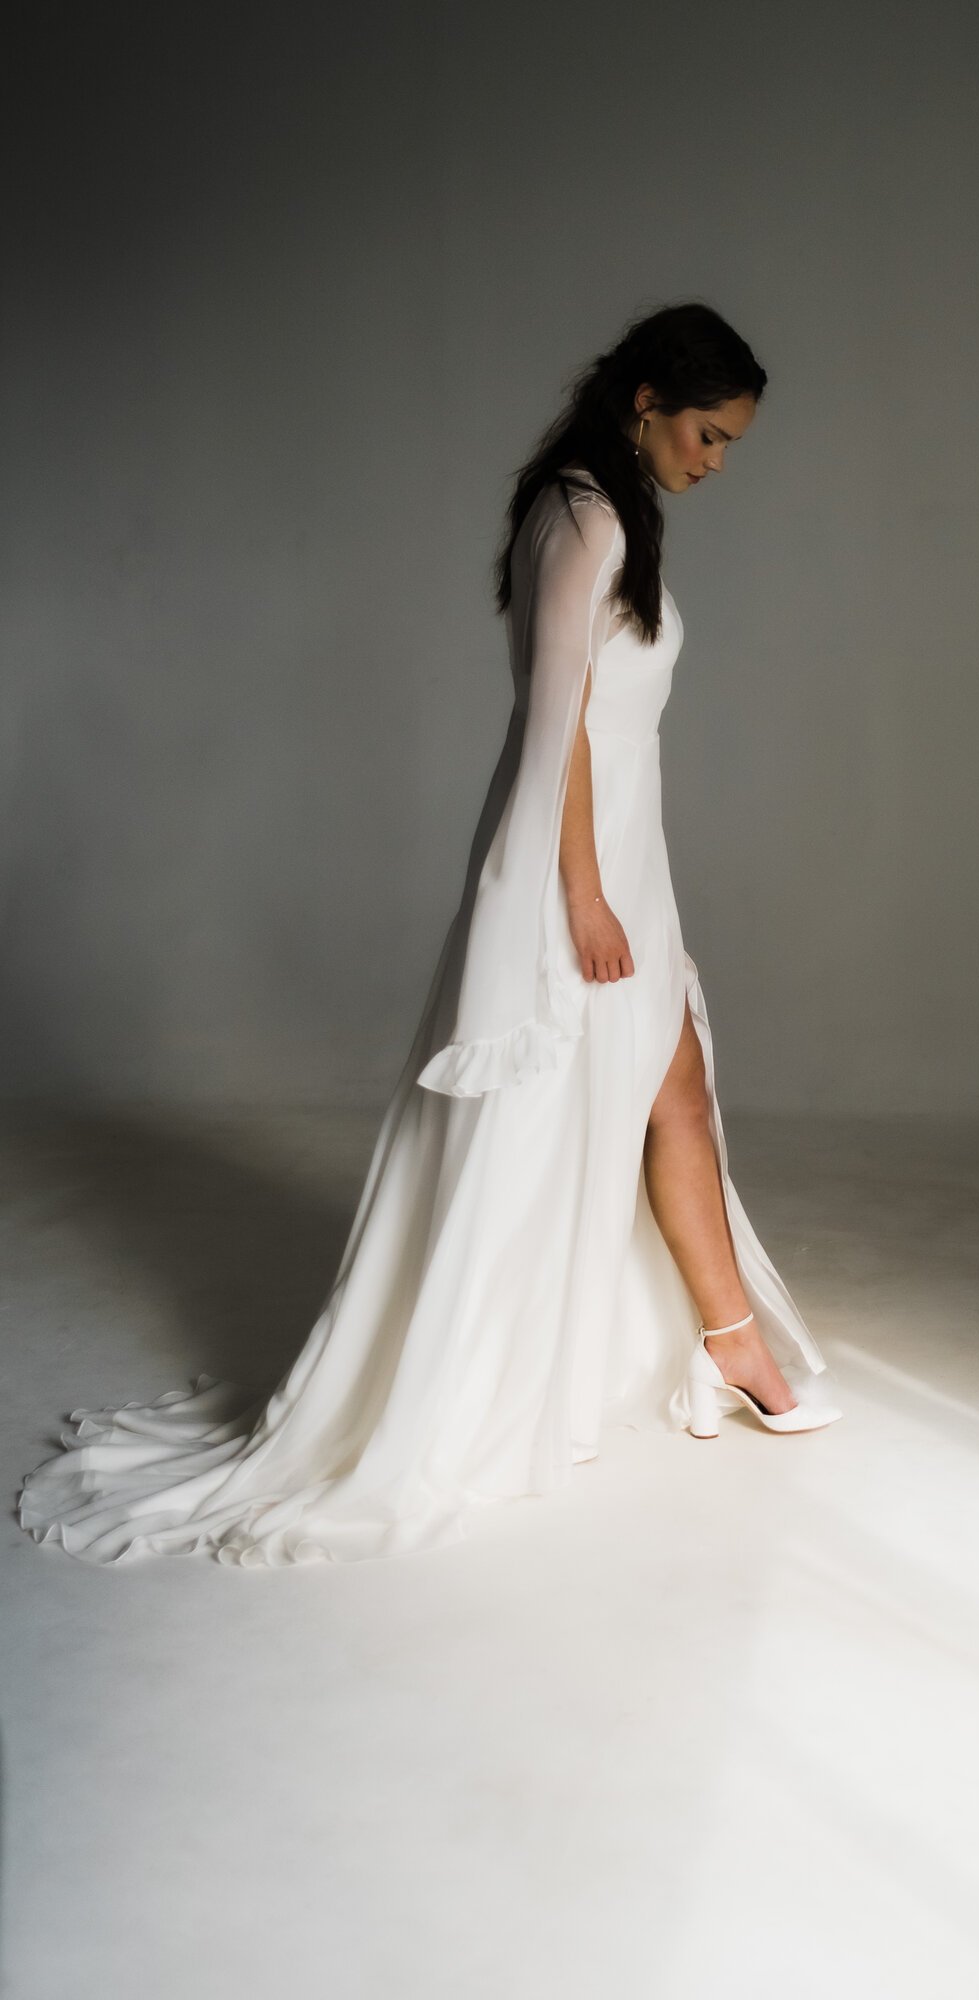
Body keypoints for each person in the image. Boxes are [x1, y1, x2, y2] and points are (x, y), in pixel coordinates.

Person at [17, 301, 841, 1568]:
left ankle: (730, 1347)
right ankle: (690, 1354)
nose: (716, 459)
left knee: (671, 1089)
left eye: (730, 441)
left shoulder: (608, 511)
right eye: (709, 432)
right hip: (576, 862)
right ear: (647, 404)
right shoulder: (585, 514)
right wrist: (580, 892)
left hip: (625, 853)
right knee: (604, 1102)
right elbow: (556, 717)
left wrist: (625, 881)